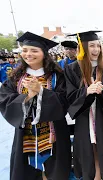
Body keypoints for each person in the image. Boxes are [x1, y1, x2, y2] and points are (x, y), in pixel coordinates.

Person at [0, 32, 71, 180]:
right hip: (25, 136)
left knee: (55, 172)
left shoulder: (57, 76)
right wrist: (28, 96)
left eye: (34, 50)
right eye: (25, 50)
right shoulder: (16, 77)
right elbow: (4, 100)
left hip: (54, 134)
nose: (28, 54)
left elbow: (65, 101)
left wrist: (41, 91)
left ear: (44, 54)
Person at [65, 31, 103, 180]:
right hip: (84, 117)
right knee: (90, 149)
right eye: (91, 46)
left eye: (98, 46)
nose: (96, 50)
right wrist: (86, 92)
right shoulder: (72, 69)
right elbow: (69, 96)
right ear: (83, 47)